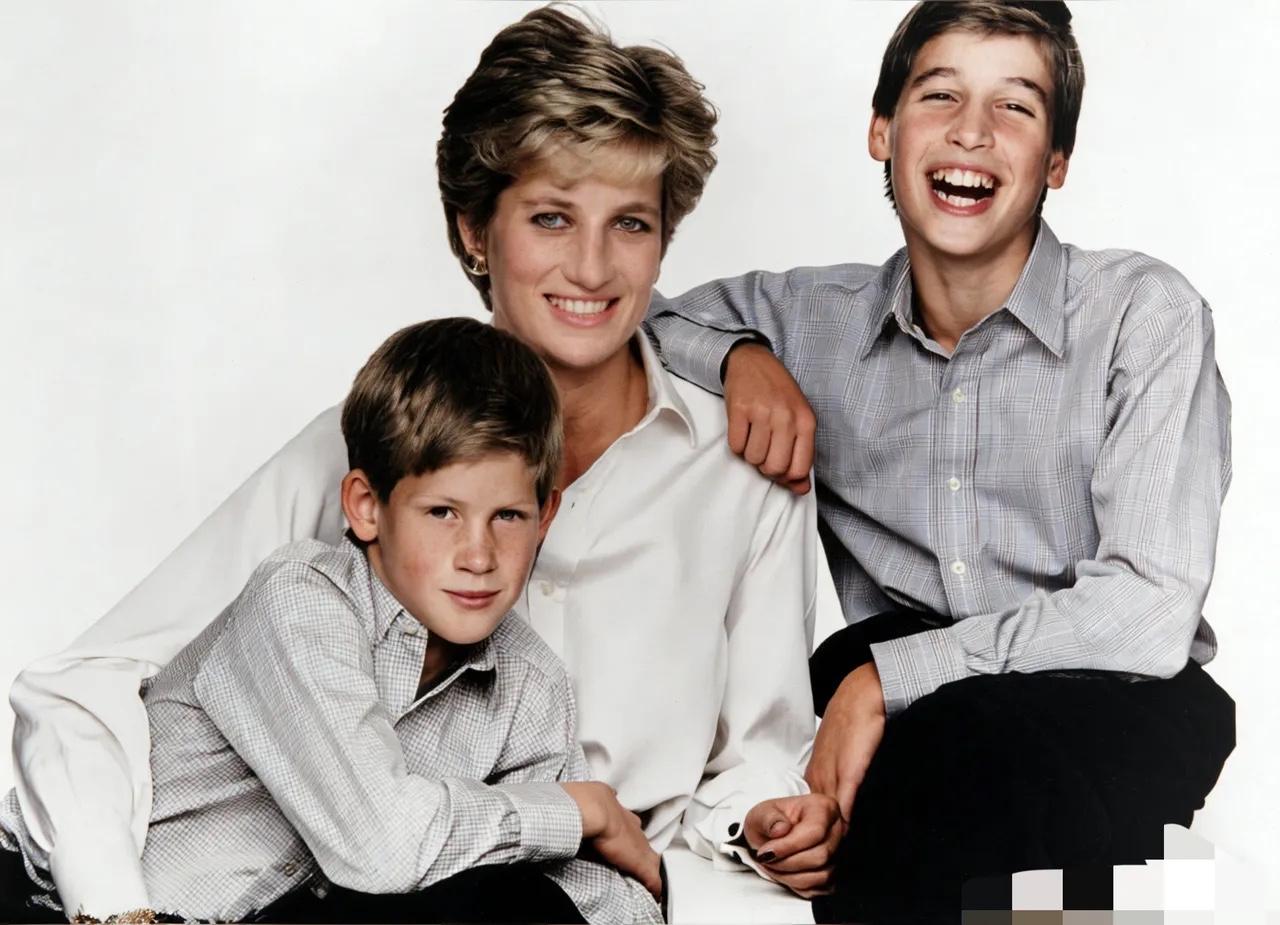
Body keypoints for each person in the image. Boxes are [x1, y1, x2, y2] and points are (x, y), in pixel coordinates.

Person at [2, 7, 834, 922]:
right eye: (551, 218)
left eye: (630, 224)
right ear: (474, 231)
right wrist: (115, 907)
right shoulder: (359, 450)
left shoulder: (745, 467)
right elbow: (88, 686)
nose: (593, 268)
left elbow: (755, 765)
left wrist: (755, 828)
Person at [644, 1, 1235, 920]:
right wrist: (741, 358)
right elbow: (644, 314)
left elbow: (1148, 608)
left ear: (1057, 160)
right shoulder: (815, 322)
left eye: (1016, 107)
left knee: (944, 766)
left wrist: (889, 680)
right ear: (882, 132)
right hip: (907, 672)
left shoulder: (1143, 315)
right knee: (804, 752)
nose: (972, 131)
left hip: (1122, 689)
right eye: (940, 95)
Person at [3, 317, 666, 923]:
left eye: (509, 517)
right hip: (74, 907)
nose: (478, 556)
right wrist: (581, 809)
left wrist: (618, 873)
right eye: (442, 513)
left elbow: (590, 891)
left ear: (545, 516)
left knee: (521, 901)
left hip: (296, 910)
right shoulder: (302, 597)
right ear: (366, 507)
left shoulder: (530, 683)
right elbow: (382, 845)